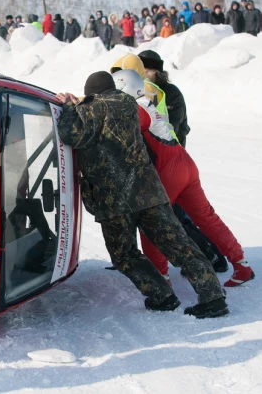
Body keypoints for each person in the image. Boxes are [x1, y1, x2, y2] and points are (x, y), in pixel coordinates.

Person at [55, 71, 229, 317]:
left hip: (115, 200)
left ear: (92, 93)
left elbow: (70, 134)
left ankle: (162, 296)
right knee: (180, 245)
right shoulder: (129, 104)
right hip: (148, 192)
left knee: (124, 254)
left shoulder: (90, 110)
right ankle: (213, 297)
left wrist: (71, 108)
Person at [111, 68, 254, 289]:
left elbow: (111, 125)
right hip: (184, 162)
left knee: (151, 223)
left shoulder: (136, 109)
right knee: (206, 217)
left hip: (168, 170)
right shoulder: (147, 102)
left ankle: (161, 276)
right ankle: (241, 263)